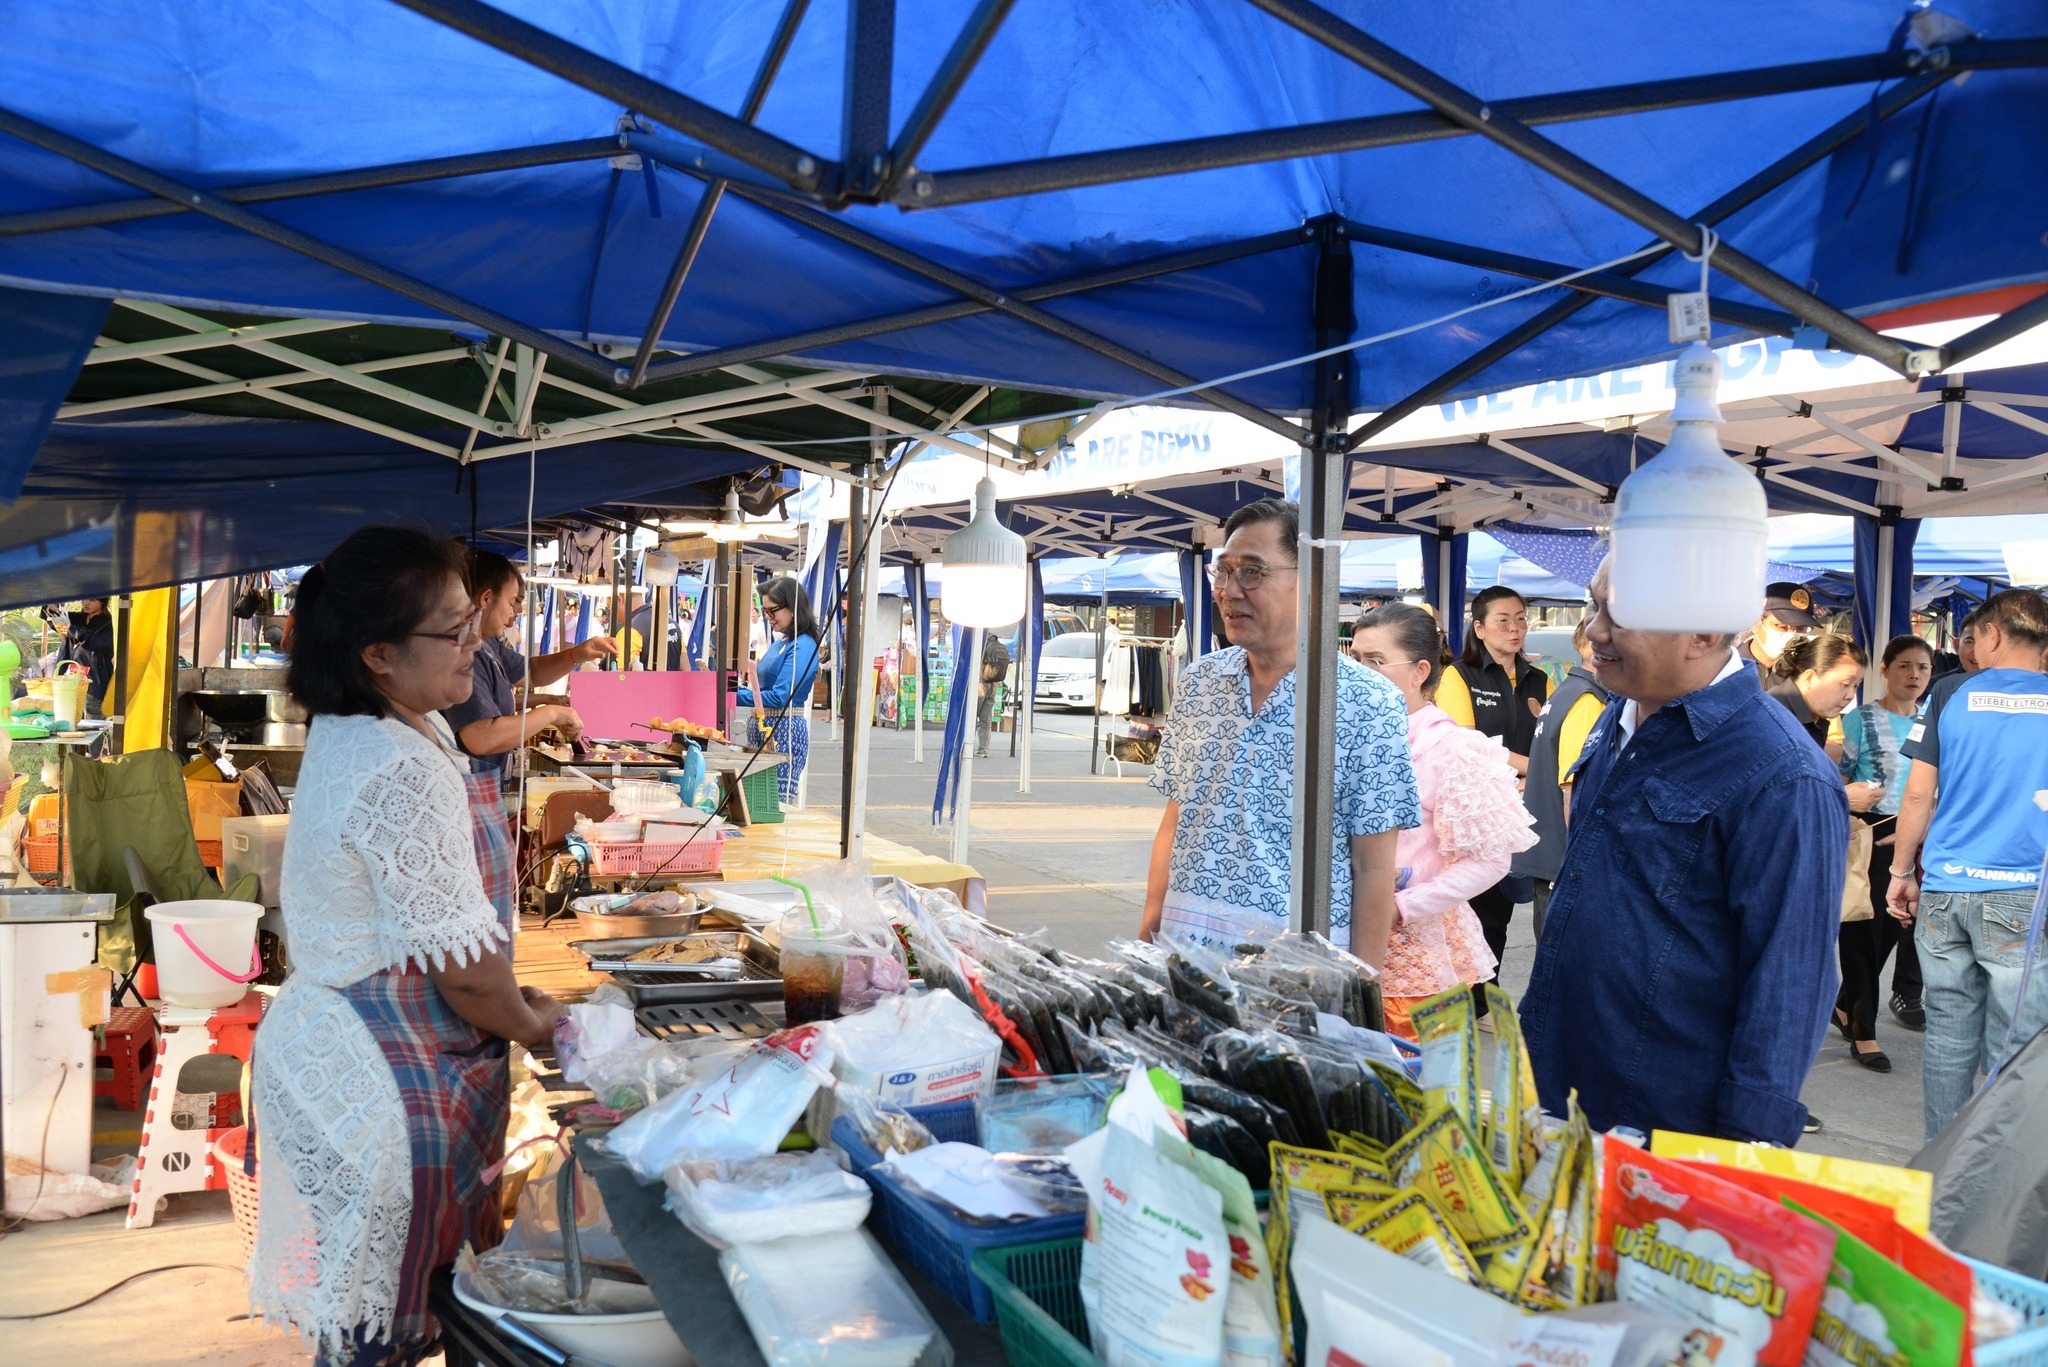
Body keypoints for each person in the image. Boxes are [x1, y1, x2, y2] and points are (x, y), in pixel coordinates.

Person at [252, 527, 565, 1365]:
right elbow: (465, 973)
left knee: (380, 1317)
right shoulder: (399, 761)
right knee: (379, 1329)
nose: (476, 646)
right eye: (454, 631)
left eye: (473, 622)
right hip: (379, 1074)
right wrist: (537, 1023)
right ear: (379, 654)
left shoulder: (373, 725)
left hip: (341, 1051)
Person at [1520, 561, 1848, 1146]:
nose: (1594, 630)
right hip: (1557, 1086)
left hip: (1666, 1121)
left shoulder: (1784, 774)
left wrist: (1746, 1140)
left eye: (1620, 615)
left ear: (1705, 632)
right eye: (1594, 606)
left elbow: (1789, 973)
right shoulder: (1619, 715)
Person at [1141, 499, 1417, 966]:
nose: (1228, 590)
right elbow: (1177, 822)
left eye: (1251, 572)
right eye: (1223, 571)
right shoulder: (1199, 681)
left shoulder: (1368, 702)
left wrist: (1361, 986)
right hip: (1183, 957)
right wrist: (1146, 941)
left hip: (1297, 974)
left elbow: (1373, 866)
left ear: (1309, 579)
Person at [1887, 588, 2048, 1141]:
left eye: (1975, 636)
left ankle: (1940, 1165)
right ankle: (1992, 1174)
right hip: (2022, 892)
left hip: (1946, 889)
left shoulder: (1950, 694)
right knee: (2017, 1047)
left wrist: (1901, 873)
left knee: (1948, 1039)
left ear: (1994, 634)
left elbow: (1917, 796)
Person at [1350, 603, 1534, 1038]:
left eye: (1375, 661)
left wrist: (1401, 907)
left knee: (1408, 1073)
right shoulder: (1342, 734)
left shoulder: (1451, 749)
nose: (1358, 673)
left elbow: (1491, 861)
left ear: (1420, 671)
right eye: (1354, 659)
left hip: (1415, 957)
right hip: (1340, 941)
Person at [1433, 586, 1547, 1019]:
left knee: (1502, 909)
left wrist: (1535, 774)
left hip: (1519, 809)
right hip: (1474, 812)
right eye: (1503, 620)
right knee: (1472, 910)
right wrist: (1532, 767)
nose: (1515, 628)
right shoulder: (1459, 676)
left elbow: (1548, 739)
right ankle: (1465, 1005)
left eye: (1521, 619)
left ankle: (1483, 1003)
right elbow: (1467, 742)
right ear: (1479, 628)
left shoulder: (1539, 679)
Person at [1835, 636, 1935, 1061]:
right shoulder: (1860, 719)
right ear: (1885, 669)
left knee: (1894, 930)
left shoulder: (1934, 719)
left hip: (1918, 834)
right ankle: (1864, 1031)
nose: (1914, 675)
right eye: (1905, 666)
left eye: (1923, 667)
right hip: (1870, 832)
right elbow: (1840, 776)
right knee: (1862, 932)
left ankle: (1845, 1005)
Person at [444, 550, 616, 774]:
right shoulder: (465, 652)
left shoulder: (488, 643)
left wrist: (577, 654)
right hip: (467, 782)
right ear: (486, 598)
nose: (514, 613)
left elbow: (531, 672)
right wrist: (550, 713)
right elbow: (481, 737)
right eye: (512, 602)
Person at [1511, 618, 1607, 941]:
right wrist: (1581, 861)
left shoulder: (1567, 691)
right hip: (1563, 860)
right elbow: (1572, 789)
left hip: (1549, 856)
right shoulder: (1587, 701)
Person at [735, 576, 821, 802]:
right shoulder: (782, 642)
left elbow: (781, 696)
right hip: (763, 729)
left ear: (793, 608)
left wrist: (733, 695)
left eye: (773, 610)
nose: (768, 617)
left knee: (774, 802)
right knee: (755, 800)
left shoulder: (803, 645)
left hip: (783, 732)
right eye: (765, 611)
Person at [1737, 581, 1822, 674]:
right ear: (1756, 623)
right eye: (1783, 627)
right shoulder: (1730, 666)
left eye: (1801, 628)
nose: (1792, 636)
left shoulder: (1807, 673)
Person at [58, 596, 115, 719]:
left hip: (94, 683)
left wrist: (75, 632)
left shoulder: (109, 622)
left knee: (94, 721)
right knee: (69, 720)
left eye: (92, 600)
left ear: (103, 601)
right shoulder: (77, 618)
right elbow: (55, 618)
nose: (86, 603)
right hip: (70, 681)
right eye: (83, 599)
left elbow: (103, 644)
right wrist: (52, 608)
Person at [974, 630, 1012, 759]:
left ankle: (966, 746)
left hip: (980, 685)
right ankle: (983, 750)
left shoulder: (980, 643)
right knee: (986, 719)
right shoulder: (997, 645)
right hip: (993, 685)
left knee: (971, 717)